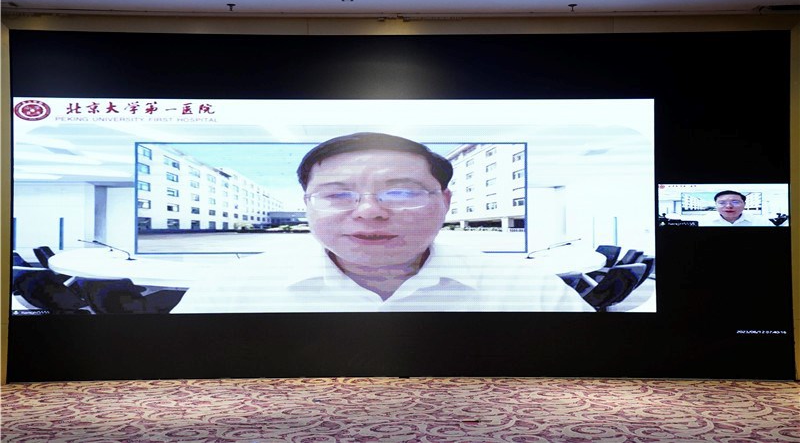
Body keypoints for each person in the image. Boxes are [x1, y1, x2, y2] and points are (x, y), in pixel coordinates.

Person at [171, 132, 593, 313]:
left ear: (444, 202)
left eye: (402, 192)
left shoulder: (530, 290)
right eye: (337, 194)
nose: (369, 211)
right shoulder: (229, 290)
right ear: (307, 206)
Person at [703, 190, 775, 227]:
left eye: (735, 202)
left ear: (744, 204)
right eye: (722, 203)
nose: (729, 206)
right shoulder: (703, 222)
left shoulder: (762, 222)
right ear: (716, 205)